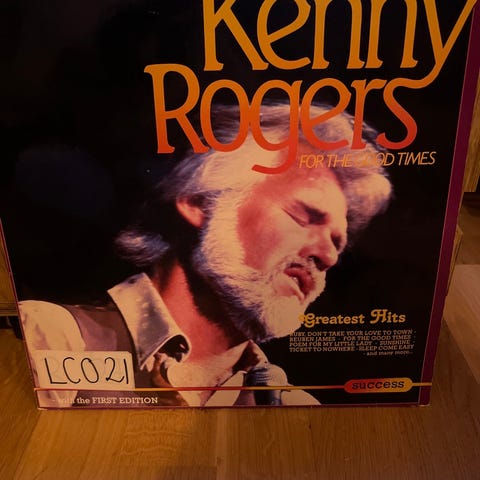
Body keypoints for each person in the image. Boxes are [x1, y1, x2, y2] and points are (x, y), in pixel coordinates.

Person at [20, 103, 392, 407]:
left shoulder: (295, 407)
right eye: (303, 216)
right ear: (200, 201)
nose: (327, 255)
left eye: (337, 243)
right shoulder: (52, 338)